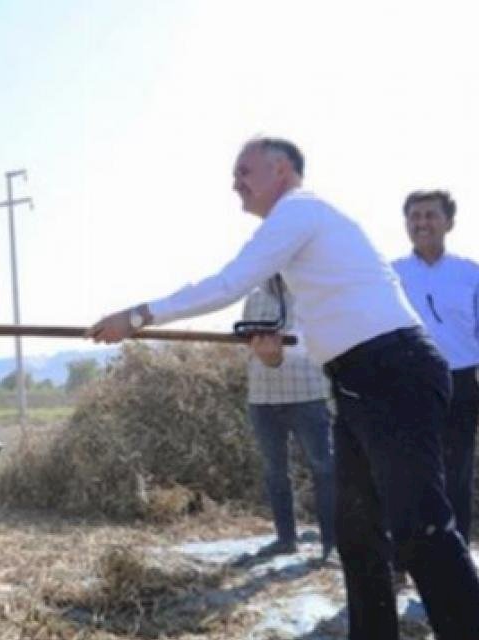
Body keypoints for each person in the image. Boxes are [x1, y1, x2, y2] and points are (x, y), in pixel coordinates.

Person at [87, 137, 479, 639]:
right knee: (357, 535)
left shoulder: (300, 211)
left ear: (281, 170)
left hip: (394, 372)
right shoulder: (306, 240)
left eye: (243, 172)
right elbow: (334, 328)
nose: (235, 184)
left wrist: (139, 316)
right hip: (361, 379)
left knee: (420, 528)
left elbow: (229, 282)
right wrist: (278, 353)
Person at [392, 189, 479, 543]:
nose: (422, 223)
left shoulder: (469, 273)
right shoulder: (391, 274)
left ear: (449, 222)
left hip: (460, 380)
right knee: (407, 471)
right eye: (415, 216)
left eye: (430, 215)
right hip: (406, 383)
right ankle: (406, 557)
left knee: (456, 471)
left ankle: (457, 554)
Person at [240, 276, 336, 562]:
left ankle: (332, 544)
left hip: (308, 393)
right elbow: (249, 345)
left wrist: (281, 353)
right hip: (262, 396)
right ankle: (285, 539)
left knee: (325, 468)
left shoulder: (313, 293)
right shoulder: (253, 298)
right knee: (274, 471)